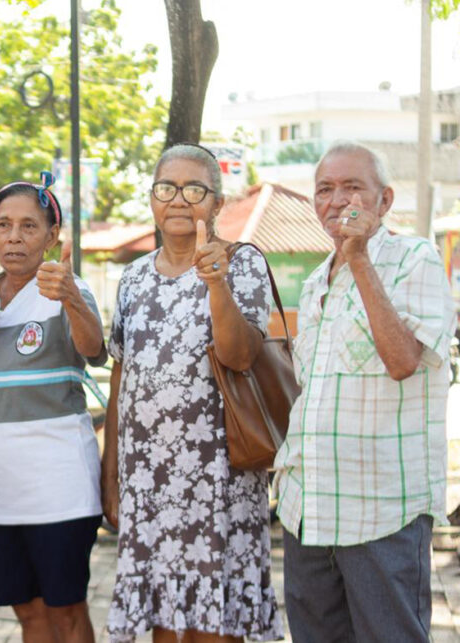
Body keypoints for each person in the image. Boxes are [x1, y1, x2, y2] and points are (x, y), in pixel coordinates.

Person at [275, 141, 456, 642]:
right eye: (325, 190)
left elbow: (403, 361)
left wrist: (359, 261)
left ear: (384, 200)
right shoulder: (314, 283)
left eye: (353, 187)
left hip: (382, 511)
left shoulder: (414, 258)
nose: (337, 201)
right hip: (307, 511)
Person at [102, 144, 283, 643]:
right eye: (166, 188)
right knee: (164, 621)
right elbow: (123, 377)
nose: (178, 200)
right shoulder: (134, 277)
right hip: (149, 480)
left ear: (217, 204)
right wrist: (111, 471)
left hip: (216, 479)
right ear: (153, 199)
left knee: (214, 624)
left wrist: (216, 284)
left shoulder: (240, 263)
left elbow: (241, 355)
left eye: (194, 189)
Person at [0, 174, 107, 642]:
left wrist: (70, 298)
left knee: (66, 609)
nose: (14, 236)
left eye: (29, 226)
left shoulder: (67, 289)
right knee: (27, 610)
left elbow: (94, 350)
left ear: (52, 238)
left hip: (60, 481)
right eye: (4, 224)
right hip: (0, 483)